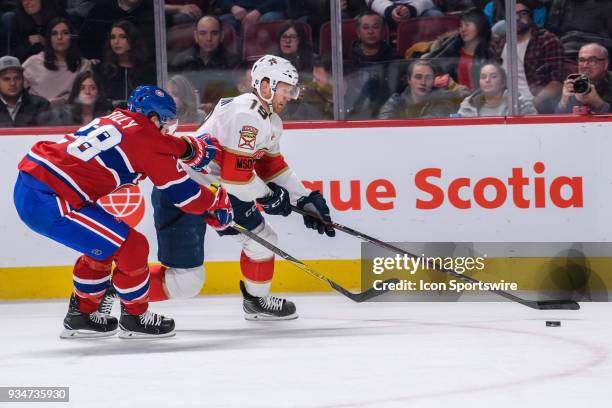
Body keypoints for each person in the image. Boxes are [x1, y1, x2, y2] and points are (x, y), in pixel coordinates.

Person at [101, 55, 335, 322]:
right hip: (183, 190)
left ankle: (257, 302)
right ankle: (108, 292)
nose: (290, 96)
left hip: (218, 190)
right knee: (186, 282)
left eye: (292, 90)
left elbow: (272, 167)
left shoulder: (269, 120)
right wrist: (270, 197)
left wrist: (304, 198)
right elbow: (237, 178)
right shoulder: (246, 115)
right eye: (285, 89)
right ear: (266, 85)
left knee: (263, 241)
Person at [13, 85, 233, 339]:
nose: (168, 130)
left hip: (38, 183)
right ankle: (135, 317)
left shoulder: (120, 119)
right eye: (166, 123)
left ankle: (82, 315)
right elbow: (186, 196)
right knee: (132, 246)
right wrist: (215, 202)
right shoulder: (149, 142)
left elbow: (153, 141)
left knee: (105, 249)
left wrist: (188, 149)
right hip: (49, 198)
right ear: (153, 118)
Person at [489, 0, 564, 113]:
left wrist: (532, 104)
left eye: (523, 13)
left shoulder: (546, 40)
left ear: (531, 16)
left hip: (536, 105)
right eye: (513, 14)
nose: (517, 18)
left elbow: (557, 83)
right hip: (502, 105)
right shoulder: (500, 42)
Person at [22, 17, 91, 106]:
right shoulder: (34, 61)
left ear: (71, 37)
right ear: (49, 38)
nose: (59, 37)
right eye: (54, 34)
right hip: (37, 114)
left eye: (65, 33)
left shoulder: (83, 65)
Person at [422, 7, 492, 92]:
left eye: (467, 25)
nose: (463, 29)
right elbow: (430, 70)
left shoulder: (489, 54)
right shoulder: (452, 48)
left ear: (480, 26)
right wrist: (452, 86)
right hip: (450, 99)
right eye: (460, 25)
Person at [96, 20, 156, 107]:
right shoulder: (104, 70)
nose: (116, 42)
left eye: (122, 36)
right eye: (112, 37)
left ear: (132, 39)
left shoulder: (147, 70)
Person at [378, 60, 461, 119]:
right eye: (418, 77)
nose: (423, 82)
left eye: (428, 78)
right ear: (409, 80)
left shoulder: (442, 99)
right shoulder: (396, 101)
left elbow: (431, 124)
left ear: (433, 81)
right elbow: (384, 122)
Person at [457, 61, 537, 116]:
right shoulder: (469, 104)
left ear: (502, 82)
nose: (487, 80)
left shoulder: (519, 103)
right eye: (483, 77)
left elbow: (533, 127)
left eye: (493, 76)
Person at [556, 43, 611, 114]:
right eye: (581, 60)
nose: (585, 65)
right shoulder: (572, 83)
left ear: (605, 64)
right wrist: (563, 103)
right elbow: (556, 122)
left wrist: (599, 104)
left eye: (592, 60)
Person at [43, 70, 113, 125]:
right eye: (82, 88)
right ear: (76, 92)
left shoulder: (108, 116)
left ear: (99, 93)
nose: (87, 92)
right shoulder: (62, 116)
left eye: (93, 88)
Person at [0, 55, 50, 126]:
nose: (12, 83)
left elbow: (49, 134)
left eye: (17, 78)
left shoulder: (41, 104)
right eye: (6, 79)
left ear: (23, 79)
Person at [365, 0, 442, 27]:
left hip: (419, 8)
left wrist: (411, 9)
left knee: (436, 16)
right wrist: (390, 11)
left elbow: (428, 1)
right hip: (384, 10)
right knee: (364, 22)